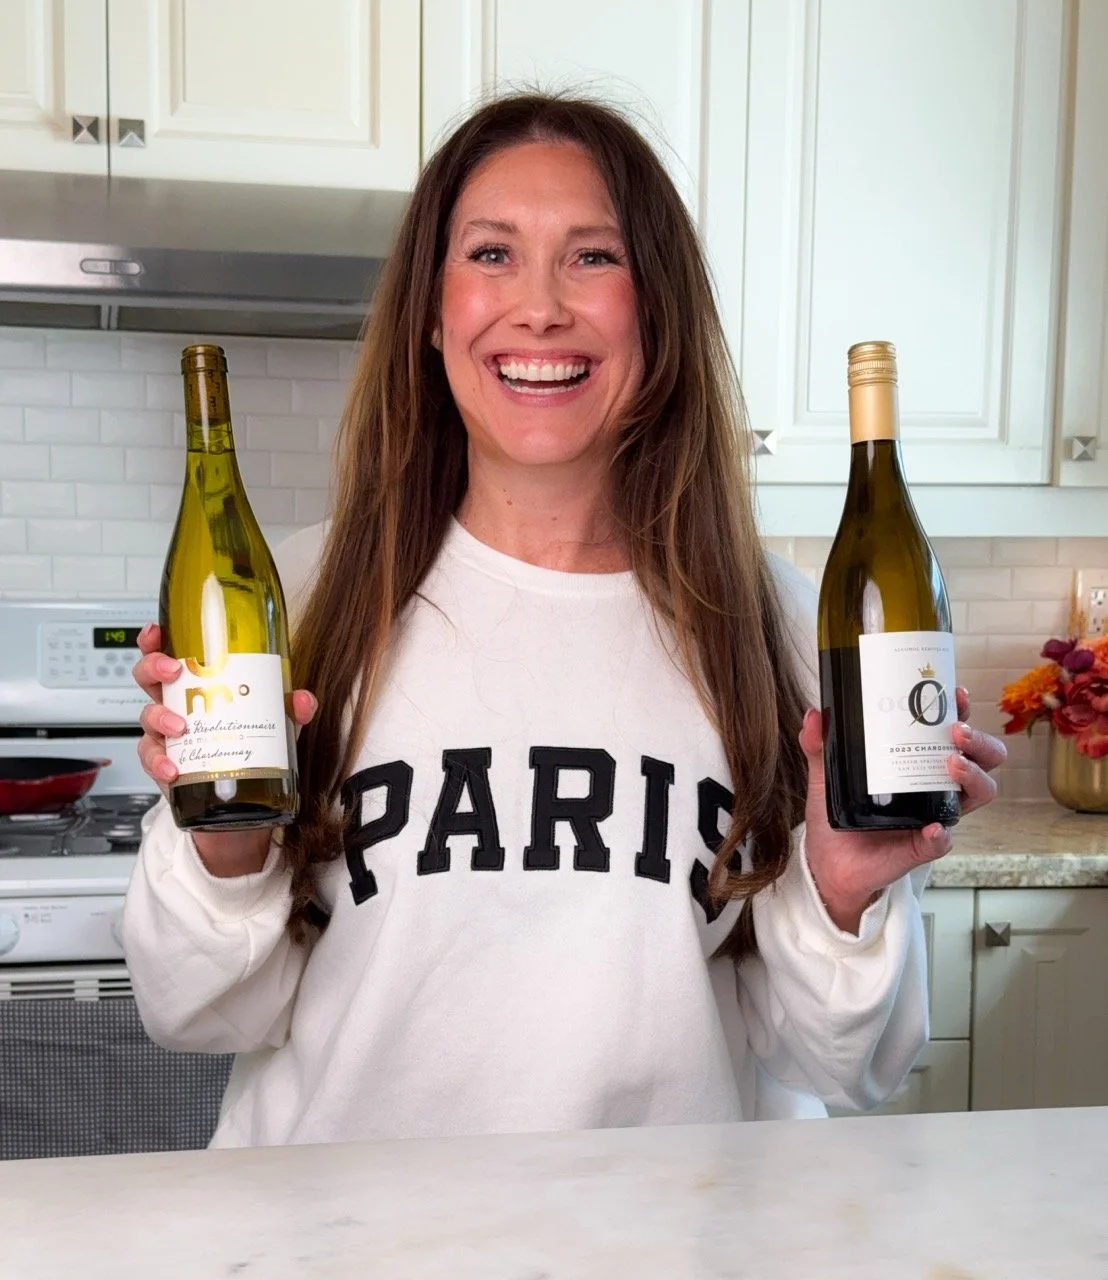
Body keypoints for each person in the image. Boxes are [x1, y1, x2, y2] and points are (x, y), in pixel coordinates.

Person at [123, 92, 1005, 1149]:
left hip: (669, 1224)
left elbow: (846, 1066)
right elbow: (194, 1012)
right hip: (345, 1224)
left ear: (656, 310)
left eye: (592, 257)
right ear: (431, 312)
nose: (538, 308)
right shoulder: (304, 600)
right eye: (492, 254)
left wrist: (844, 890)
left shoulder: (772, 624)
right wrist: (225, 843)